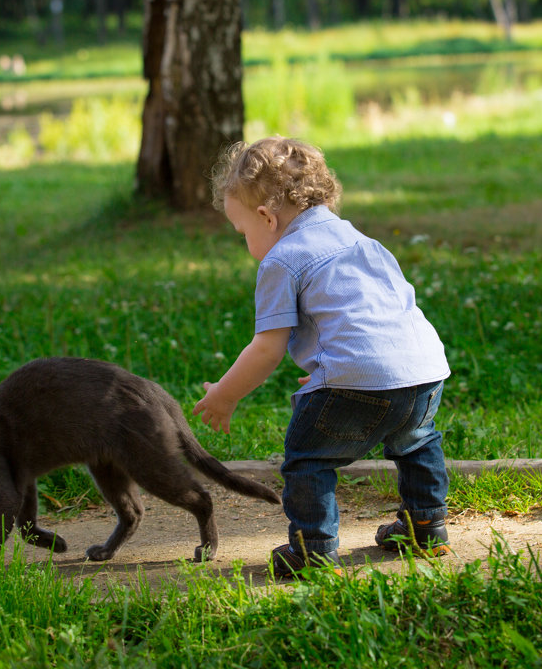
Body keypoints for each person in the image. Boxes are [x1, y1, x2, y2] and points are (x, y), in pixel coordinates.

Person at [193, 136, 452, 577]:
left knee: (308, 458)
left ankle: (312, 549)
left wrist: (224, 395)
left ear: (265, 217)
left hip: (357, 379)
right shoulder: (360, 240)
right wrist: (331, 368)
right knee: (417, 441)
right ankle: (426, 525)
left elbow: (265, 351)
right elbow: (374, 316)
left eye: (243, 234)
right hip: (424, 372)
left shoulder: (283, 259)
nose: (247, 244)